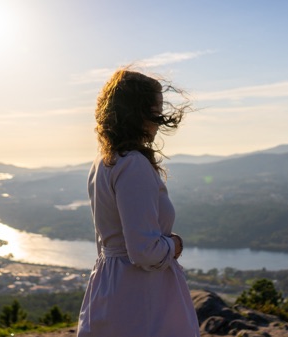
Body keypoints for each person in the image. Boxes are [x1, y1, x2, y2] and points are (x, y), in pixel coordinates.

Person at [77, 68, 200, 337]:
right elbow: (143, 251)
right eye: (155, 112)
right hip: (140, 296)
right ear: (137, 115)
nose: (159, 121)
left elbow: (112, 241)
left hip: (110, 286)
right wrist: (175, 245)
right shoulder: (133, 164)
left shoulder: (103, 162)